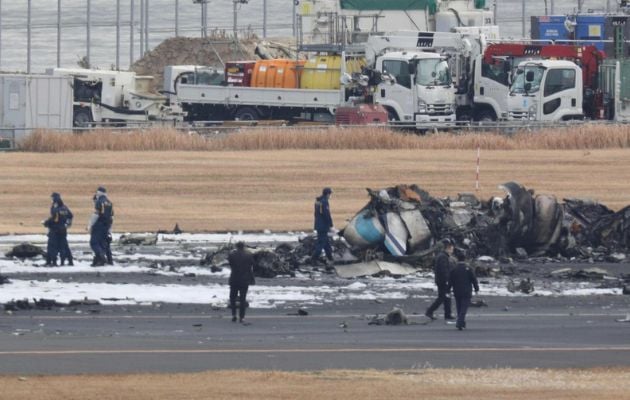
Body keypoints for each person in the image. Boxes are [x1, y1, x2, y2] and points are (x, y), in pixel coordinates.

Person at [425, 238, 455, 321]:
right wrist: (447, 280)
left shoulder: (443, 256)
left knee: (447, 297)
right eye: (451, 248)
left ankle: (448, 314)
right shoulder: (443, 257)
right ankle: (430, 311)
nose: (452, 250)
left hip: (442, 281)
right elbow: (443, 270)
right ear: (448, 248)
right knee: (442, 297)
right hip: (443, 281)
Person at [228, 241, 255, 323]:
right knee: (243, 299)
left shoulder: (232, 255)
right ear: (243, 246)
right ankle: (242, 317)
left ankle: (233, 315)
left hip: (234, 279)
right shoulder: (248, 255)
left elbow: (230, 263)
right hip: (244, 280)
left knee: (232, 298)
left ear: (236, 246)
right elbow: (253, 264)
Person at [43, 192, 74, 266]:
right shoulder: (65, 207)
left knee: (52, 246)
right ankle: (68, 261)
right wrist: (67, 224)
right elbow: (70, 216)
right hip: (63, 229)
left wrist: (46, 223)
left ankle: (52, 261)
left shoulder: (55, 208)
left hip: (55, 230)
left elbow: (54, 219)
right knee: (64, 246)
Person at [448, 261, 480, 330]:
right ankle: (459, 322)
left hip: (457, 291)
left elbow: (450, 280)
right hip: (466, 291)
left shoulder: (454, 269)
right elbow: (473, 279)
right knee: (464, 308)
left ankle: (461, 323)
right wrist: (476, 289)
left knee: (459, 307)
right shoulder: (468, 269)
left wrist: (448, 289)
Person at [87, 186, 114, 267]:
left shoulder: (99, 202)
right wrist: (109, 228)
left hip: (99, 225)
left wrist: (90, 225)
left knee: (94, 243)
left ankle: (101, 257)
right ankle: (105, 260)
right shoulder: (109, 203)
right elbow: (111, 217)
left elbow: (96, 215)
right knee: (103, 243)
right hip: (106, 225)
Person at [311, 187, 334, 267]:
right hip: (323, 226)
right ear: (327, 194)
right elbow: (326, 214)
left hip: (318, 225)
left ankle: (330, 257)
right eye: (330, 194)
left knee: (326, 243)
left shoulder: (318, 201)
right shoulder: (324, 202)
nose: (330, 195)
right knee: (321, 243)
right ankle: (314, 259)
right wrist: (331, 225)